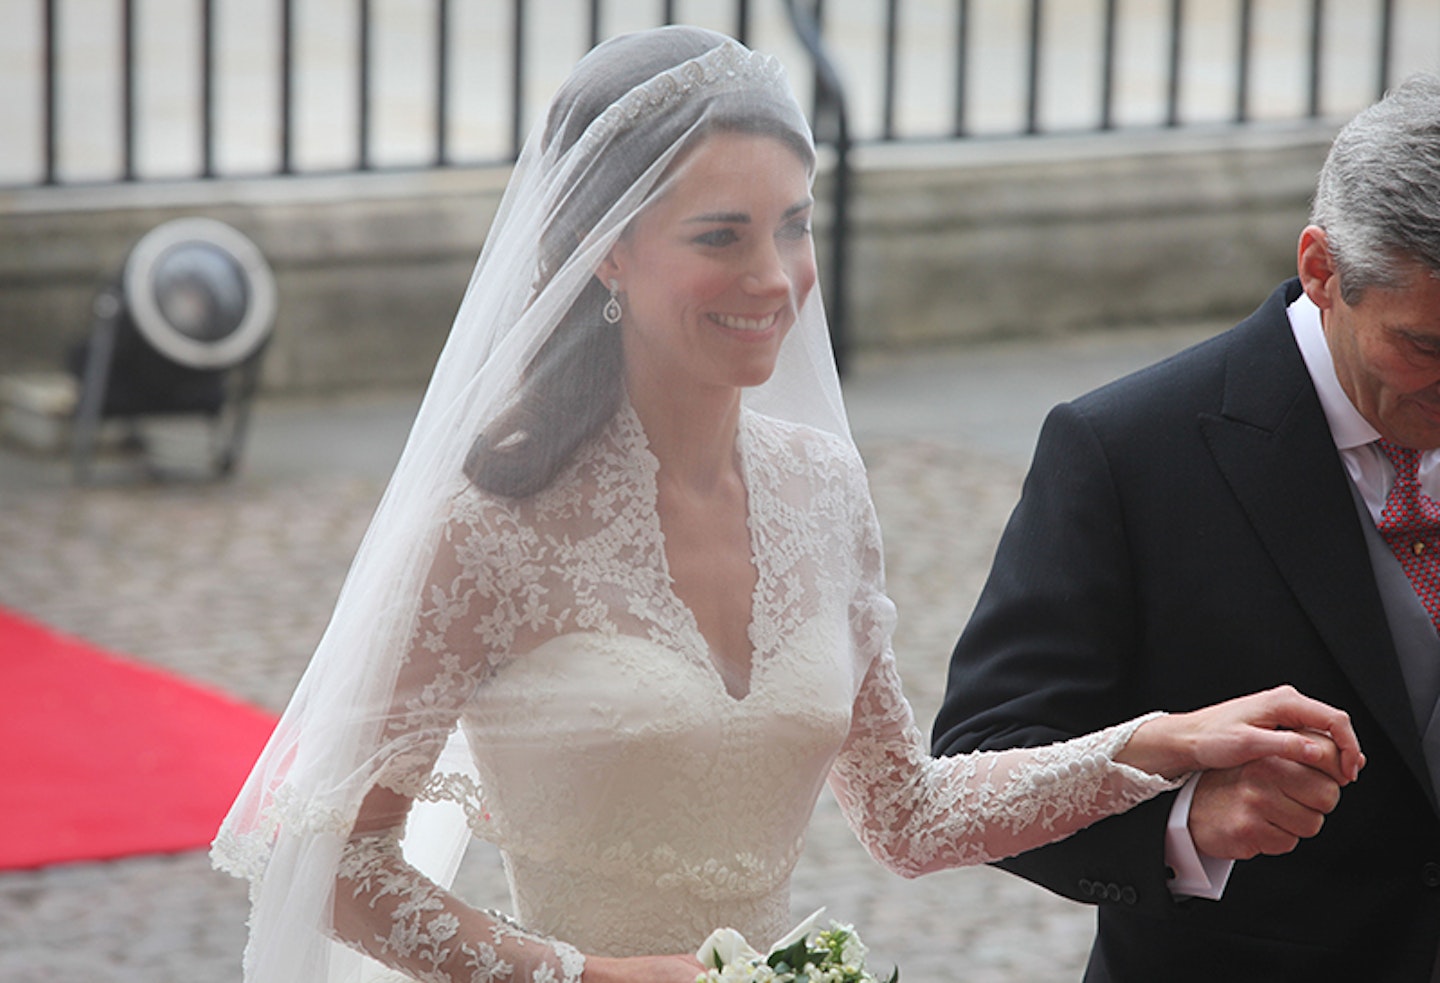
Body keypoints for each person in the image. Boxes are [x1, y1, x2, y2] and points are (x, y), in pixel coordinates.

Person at [212, 26, 1362, 983]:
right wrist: (577, 974)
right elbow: (317, 850)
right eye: (722, 235)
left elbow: (905, 813)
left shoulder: (822, 484)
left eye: (794, 224)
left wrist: (1158, 744)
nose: (775, 278)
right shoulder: (487, 522)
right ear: (602, 252)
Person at [933, 72, 1440, 983]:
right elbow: (978, 764)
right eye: (1427, 348)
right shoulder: (1123, 450)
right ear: (1323, 271)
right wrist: (1180, 821)